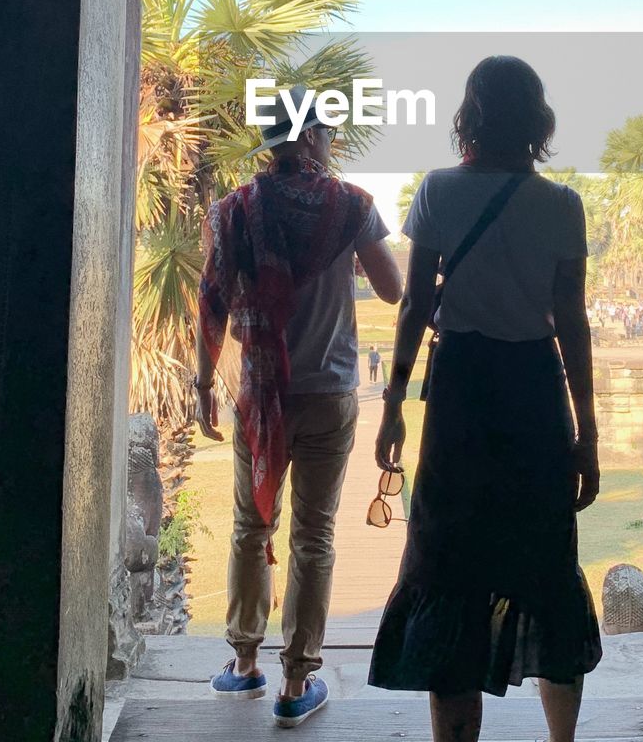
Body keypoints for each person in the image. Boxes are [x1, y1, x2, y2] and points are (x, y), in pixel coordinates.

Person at [368, 56, 602, 742]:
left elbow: (414, 307)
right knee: (549, 566)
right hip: (535, 397)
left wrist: (393, 405)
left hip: (461, 401)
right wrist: (587, 434)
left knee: (448, 570)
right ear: (538, 122)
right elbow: (573, 325)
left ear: (469, 116)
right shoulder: (562, 206)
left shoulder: (438, 192)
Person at [196, 84, 403, 728]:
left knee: (249, 526)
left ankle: (245, 664)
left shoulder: (233, 211)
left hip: (261, 395)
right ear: (313, 138)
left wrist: (204, 380)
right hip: (330, 391)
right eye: (328, 134)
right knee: (314, 535)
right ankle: (295, 681)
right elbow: (393, 289)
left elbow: (211, 303)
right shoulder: (350, 207)